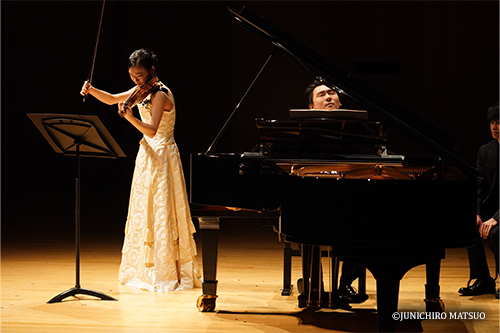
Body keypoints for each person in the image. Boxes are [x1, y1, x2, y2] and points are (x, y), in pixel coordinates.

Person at [80, 48, 201, 292]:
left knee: (162, 210)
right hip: (148, 155)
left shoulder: (160, 94)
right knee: (145, 209)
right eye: (132, 76)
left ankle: (166, 270)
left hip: (163, 155)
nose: (135, 81)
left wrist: (129, 118)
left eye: (139, 75)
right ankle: (146, 269)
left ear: (152, 71)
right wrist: (91, 91)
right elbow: (114, 98)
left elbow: (153, 129)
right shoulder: (141, 91)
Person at [301, 80, 368, 304]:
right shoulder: (299, 131)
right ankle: (313, 287)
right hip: (307, 192)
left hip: (351, 192)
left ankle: (346, 283)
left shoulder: (360, 129)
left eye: (332, 93)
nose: (329, 97)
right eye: (321, 94)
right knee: (304, 220)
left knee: (362, 219)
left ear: (340, 102)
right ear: (311, 107)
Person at [459, 102, 499, 299]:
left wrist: (496, 219)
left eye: (499, 122)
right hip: (491, 208)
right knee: (468, 226)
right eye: (492, 122)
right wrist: (475, 213)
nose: (494, 127)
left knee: (496, 234)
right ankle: (483, 279)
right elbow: (479, 186)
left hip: (499, 214)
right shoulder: (485, 150)